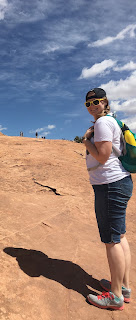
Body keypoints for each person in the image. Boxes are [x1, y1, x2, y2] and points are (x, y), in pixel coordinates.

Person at [82, 88, 133, 311]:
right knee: (120, 237)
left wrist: (86, 141)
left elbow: (102, 157)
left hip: (110, 186)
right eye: (88, 103)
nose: (93, 105)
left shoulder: (102, 123)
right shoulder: (112, 121)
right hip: (118, 183)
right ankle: (123, 287)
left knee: (111, 240)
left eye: (97, 101)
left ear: (105, 102)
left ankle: (115, 297)